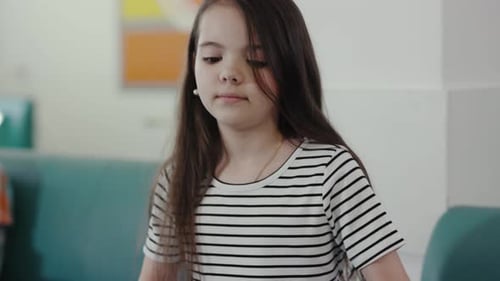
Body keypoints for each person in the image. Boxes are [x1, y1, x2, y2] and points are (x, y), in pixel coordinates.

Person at [139, 0, 410, 280]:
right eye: (212, 58)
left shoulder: (330, 172)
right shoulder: (178, 179)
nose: (229, 73)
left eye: (257, 59)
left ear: (289, 69)